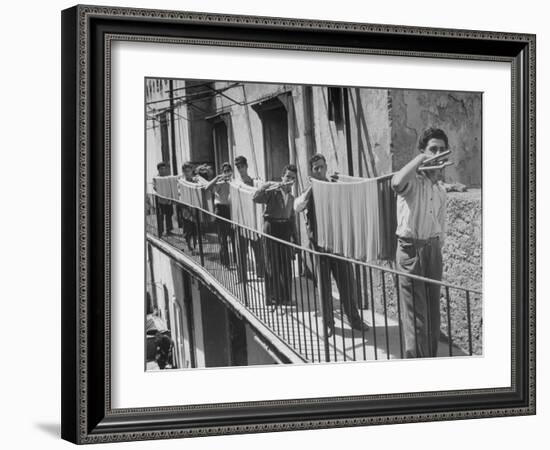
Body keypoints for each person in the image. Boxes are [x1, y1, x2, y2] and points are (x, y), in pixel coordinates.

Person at [294, 154, 369, 336]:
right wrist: (312, 188)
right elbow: (297, 206)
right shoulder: (309, 189)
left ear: (326, 166)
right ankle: (328, 323)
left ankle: (354, 319)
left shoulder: (335, 185)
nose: (320, 171)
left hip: (338, 245)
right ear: (312, 171)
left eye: (321, 167)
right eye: (316, 169)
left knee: (347, 284)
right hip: (319, 247)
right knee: (324, 286)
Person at [391, 127, 449, 358]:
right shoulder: (412, 181)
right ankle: (416, 368)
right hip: (411, 250)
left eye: (442, 150)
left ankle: (431, 361)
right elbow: (396, 183)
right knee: (417, 318)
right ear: (423, 152)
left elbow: (440, 226)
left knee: (433, 314)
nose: (438, 153)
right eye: (432, 149)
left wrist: (435, 249)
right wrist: (420, 160)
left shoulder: (441, 190)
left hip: (432, 250)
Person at [253, 164, 298, 310]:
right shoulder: (273, 192)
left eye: (292, 178)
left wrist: (295, 239)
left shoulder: (291, 197)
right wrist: (268, 185)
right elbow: (256, 198)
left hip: (284, 229)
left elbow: (292, 218)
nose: (289, 180)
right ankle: (272, 298)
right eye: (287, 177)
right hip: (271, 227)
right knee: (272, 264)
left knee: (286, 265)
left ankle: (285, 298)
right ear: (282, 177)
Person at [234, 155, 265, 282]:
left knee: (258, 249)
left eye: (242, 166)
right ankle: (242, 277)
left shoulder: (255, 183)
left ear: (246, 166)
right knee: (241, 251)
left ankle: (261, 273)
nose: (240, 169)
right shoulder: (236, 184)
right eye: (238, 167)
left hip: (253, 221)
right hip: (241, 221)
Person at [204, 162, 234, 267]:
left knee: (234, 238)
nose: (227, 173)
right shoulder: (219, 183)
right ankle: (225, 263)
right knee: (223, 239)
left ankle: (235, 262)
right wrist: (217, 178)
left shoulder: (233, 182)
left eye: (228, 171)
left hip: (231, 211)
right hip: (221, 210)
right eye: (225, 171)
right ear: (222, 172)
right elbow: (207, 188)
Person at [177, 162, 198, 253]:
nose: (187, 173)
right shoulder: (181, 182)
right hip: (185, 208)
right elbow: (179, 193)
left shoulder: (195, 181)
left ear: (191, 171)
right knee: (188, 229)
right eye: (185, 171)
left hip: (195, 207)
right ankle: (189, 246)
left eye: (189, 171)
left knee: (195, 228)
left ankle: (195, 246)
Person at [153, 161, 174, 237]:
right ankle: (161, 231)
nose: (163, 170)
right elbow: (155, 187)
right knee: (161, 216)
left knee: (169, 214)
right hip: (160, 200)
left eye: (164, 169)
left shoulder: (168, 177)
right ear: (158, 170)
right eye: (161, 169)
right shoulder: (156, 178)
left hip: (168, 199)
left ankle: (169, 230)